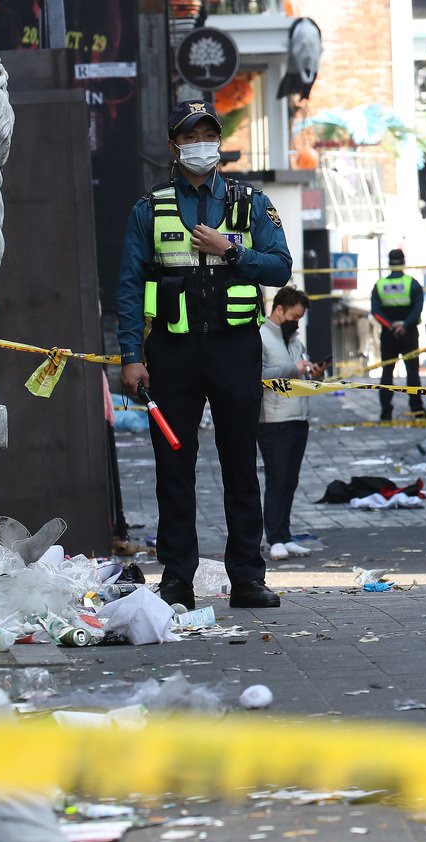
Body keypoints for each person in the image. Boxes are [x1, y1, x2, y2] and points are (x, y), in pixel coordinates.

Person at [117, 99, 292, 610]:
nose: (201, 144)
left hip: (235, 350)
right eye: (190, 136)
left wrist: (230, 251)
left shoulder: (251, 203)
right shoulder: (148, 209)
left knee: (240, 465)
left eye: (208, 135)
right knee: (173, 469)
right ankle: (177, 579)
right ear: (174, 145)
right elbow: (129, 286)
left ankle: (248, 578)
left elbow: (280, 268)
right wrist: (131, 355)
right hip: (172, 352)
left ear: (219, 141)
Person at [259, 286, 324, 561]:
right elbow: (259, 373)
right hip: (273, 420)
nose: (296, 322)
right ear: (279, 310)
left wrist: (315, 374)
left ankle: (285, 535)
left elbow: (303, 373)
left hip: (299, 417)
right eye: (294, 316)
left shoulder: (295, 340)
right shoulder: (261, 336)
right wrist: (293, 369)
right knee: (277, 479)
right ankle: (274, 538)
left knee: (290, 481)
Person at [371, 248, 426, 421]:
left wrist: (391, 326)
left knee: (387, 373)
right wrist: (404, 325)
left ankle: (386, 412)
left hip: (388, 334)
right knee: (412, 372)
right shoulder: (412, 284)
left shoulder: (380, 285)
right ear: (404, 263)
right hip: (409, 333)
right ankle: (416, 409)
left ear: (389, 263)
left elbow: (376, 312)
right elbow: (418, 309)